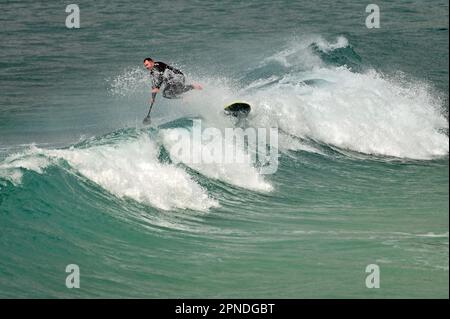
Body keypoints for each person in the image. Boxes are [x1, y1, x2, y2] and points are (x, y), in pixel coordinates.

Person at [142, 58, 202, 124]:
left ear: (152, 62)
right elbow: (154, 86)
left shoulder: (157, 65)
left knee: (176, 89)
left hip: (177, 76)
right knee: (166, 94)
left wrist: (157, 87)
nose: (146, 67)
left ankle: (192, 87)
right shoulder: (152, 73)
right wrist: (153, 98)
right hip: (171, 81)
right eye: (145, 66)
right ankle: (184, 96)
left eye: (147, 64)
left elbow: (160, 77)